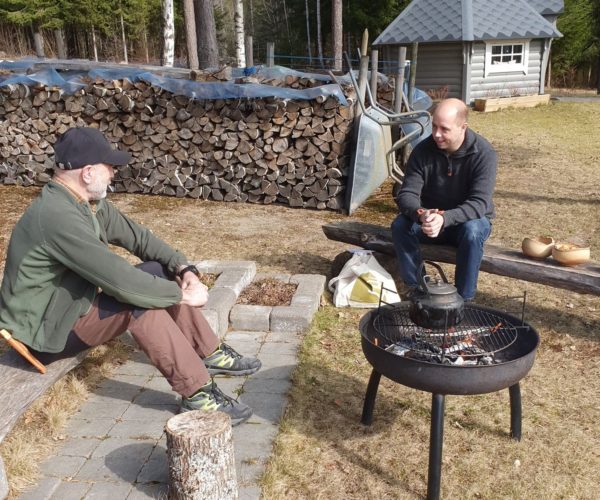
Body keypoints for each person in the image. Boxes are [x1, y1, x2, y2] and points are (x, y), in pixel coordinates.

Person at [0, 127, 261, 426]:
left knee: (158, 269)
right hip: (43, 335)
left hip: (65, 310)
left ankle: (209, 351)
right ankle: (198, 392)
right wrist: (182, 295)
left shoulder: (86, 203)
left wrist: (182, 268)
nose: (114, 173)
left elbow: (139, 238)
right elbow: (120, 281)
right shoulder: (57, 216)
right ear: (87, 172)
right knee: (138, 306)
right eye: (109, 167)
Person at [391, 98, 497, 301]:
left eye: (444, 129)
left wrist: (445, 218)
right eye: (434, 126)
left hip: (467, 222)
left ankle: (463, 299)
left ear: (462, 127)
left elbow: (479, 204)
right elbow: (407, 194)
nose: (436, 134)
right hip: (431, 220)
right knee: (400, 225)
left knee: (473, 231)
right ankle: (418, 290)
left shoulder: (484, 154)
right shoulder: (423, 151)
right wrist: (421, 214)